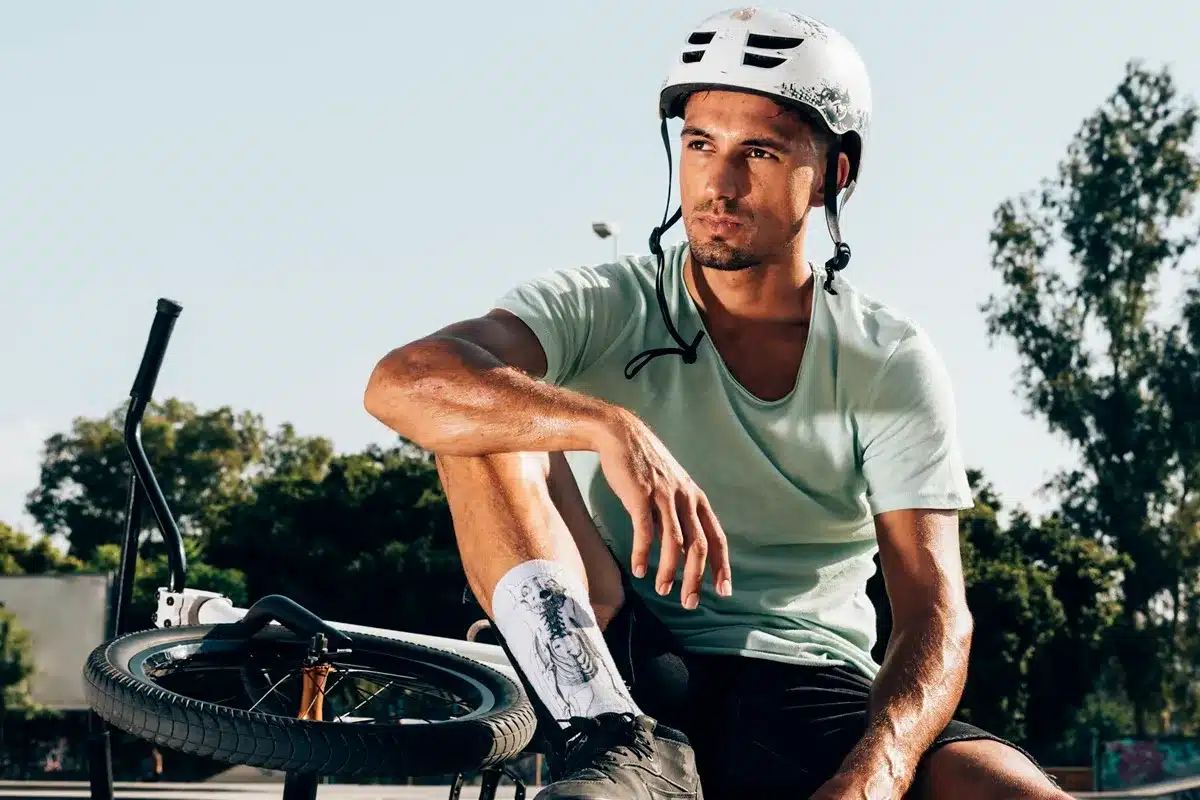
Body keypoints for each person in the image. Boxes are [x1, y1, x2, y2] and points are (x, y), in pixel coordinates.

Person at [364, 7, 1072, 799]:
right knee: (481, 417)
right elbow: (402, 379)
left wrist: (882, 768)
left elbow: (936, 614)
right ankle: (603, 735)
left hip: (808, 687)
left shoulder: (887, 359)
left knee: (1014, 791)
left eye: (758, 152)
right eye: (698, 144)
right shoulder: (607, 301)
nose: (717, 183)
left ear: (835, 173)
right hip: (619, 667)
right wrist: (605, 425)